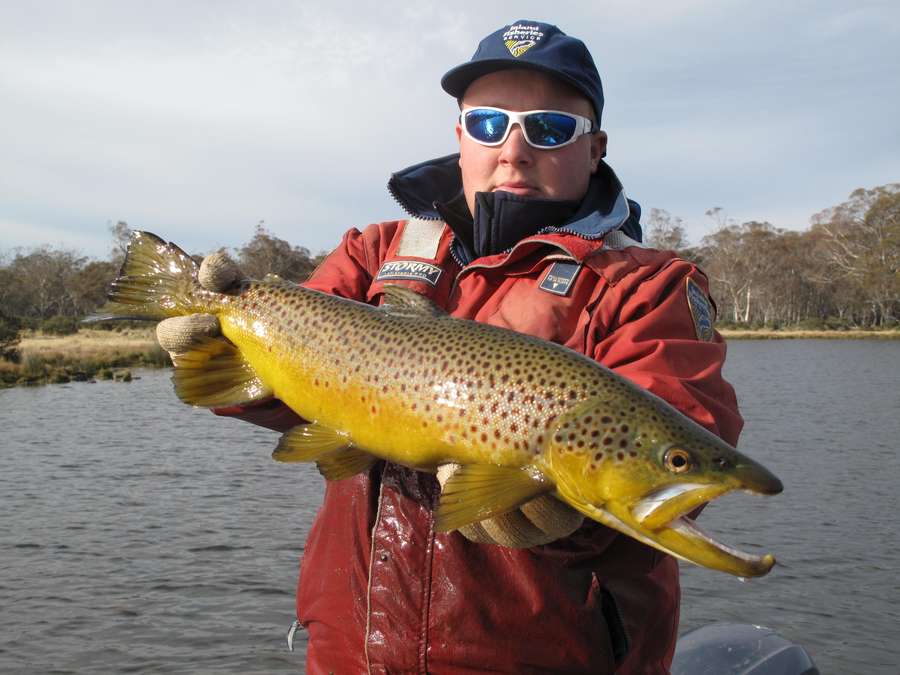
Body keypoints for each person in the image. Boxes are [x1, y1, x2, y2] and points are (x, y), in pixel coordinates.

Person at [157, 20, 743, 674]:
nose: (514, 150)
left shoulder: (647, 284)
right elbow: (294, 394)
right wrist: (220, 355)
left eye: (549, 128)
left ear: (596, 147)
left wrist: (570, 515)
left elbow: (682, 428)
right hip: (349, 648)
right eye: (489, 124)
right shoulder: (374, 252)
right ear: (459, 136)